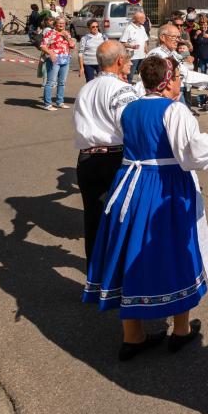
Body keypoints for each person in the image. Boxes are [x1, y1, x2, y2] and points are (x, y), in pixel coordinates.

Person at [83, 55, 208, 360]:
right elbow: (190, 154)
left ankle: (133, 334)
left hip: (129, 183)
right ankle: (180, 329)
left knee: (130, 248)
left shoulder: (130, 108)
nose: (180, 83)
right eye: (178, 78)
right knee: (175, 250)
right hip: (164, 185)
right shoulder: (174, 110)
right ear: (167, 82)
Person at [72, 40, 139, 263]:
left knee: (93, 220)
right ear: (120, 61)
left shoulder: (85, 88)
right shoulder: (121, 89)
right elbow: (130, 127)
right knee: (121, 219)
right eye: (127, 59)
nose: (129, 63)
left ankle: (95, 275)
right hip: (114, 158)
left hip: (87, 159)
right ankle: (115, 277)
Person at [40, 16, 76, 110]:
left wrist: (67, 37)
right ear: (55, 24)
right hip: (54, 60)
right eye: (59, 23)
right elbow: (43, 46)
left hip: (65, 60)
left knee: (62, 82)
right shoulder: (50, 33)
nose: (61, 25)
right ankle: (47, 104)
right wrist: (51, 53)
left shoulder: (67, 33)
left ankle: (60, 102)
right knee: (51, 82)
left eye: (63, 23)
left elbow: (72, 46)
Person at [120, 11, 149, 84]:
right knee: (130, 76)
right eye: (143, 18)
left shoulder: (142, 27)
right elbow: (122, 43)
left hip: (142, 56)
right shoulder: (128, 28)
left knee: (144, 75)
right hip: (132, 58)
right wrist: (131, 46)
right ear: (138, 19)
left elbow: (145, 39)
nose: (145, 19)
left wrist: (146, 48)